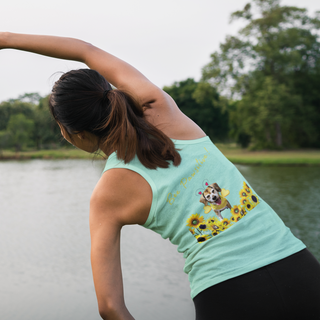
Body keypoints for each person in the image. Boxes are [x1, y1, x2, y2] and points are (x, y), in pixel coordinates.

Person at [1, 32, 320, 320]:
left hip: (227, 296)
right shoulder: (160, 107)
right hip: (300, 271)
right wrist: (6, 38)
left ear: (76, 134)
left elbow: (110, 306)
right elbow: (85, 49)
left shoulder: (107, 196)